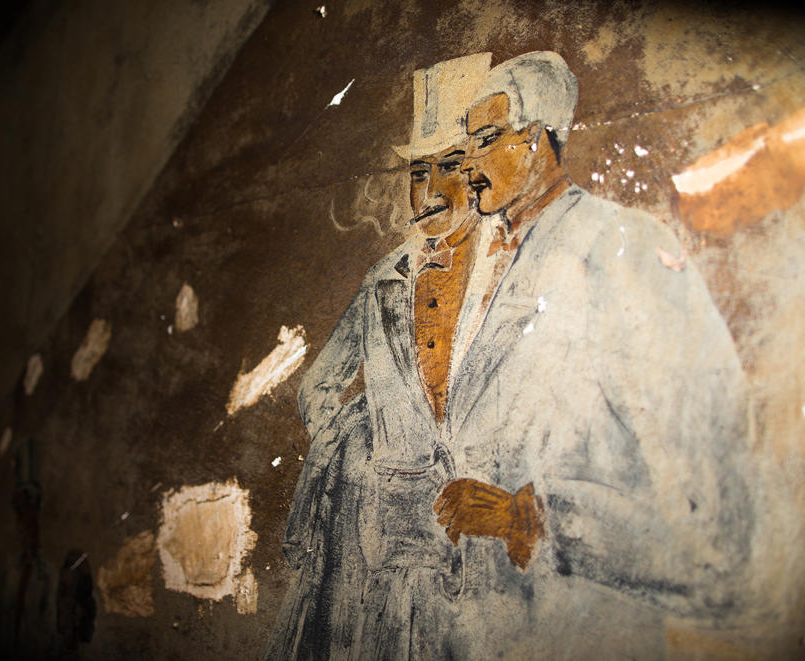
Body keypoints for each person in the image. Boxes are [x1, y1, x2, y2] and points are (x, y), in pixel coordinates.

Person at [268, 51, 754, 660]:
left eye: (484, 141)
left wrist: (530, 518)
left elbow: (721, 540)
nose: (466, 169)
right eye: (458, 151)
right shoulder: (483, 266)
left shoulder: (621, 247)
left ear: (539, 140)